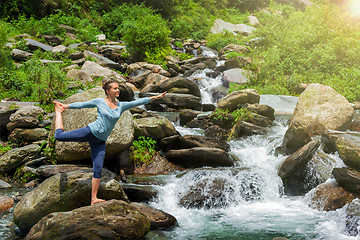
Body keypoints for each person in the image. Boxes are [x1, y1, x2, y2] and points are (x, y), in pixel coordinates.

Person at [53, 80, 166, 205]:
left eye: (118, 88)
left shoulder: (121, 106)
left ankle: (93, 199)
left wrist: (153, 98)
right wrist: (64, 106)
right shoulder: (99, 102)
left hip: (100, 141)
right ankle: (58, 112)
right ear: (108, 91)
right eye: (115, 88)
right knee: (59, 137)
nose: (118, 90)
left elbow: (136, 102)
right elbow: (82, 104)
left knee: (98, 168)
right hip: (90, 132)